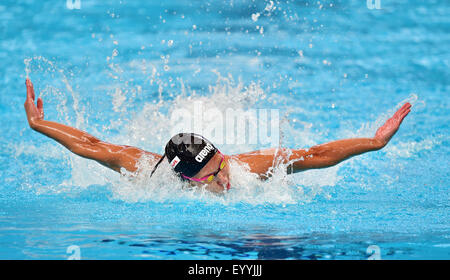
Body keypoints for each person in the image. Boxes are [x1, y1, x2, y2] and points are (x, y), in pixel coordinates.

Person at [24, 79, 412, 193]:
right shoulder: (146, 173)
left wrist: (374, 142)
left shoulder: (243, 169)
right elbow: (91, 146)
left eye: (221, 164)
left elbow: (314, 153)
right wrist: (40, 125)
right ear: (186, 178)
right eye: (213, 176)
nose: (226, 179)